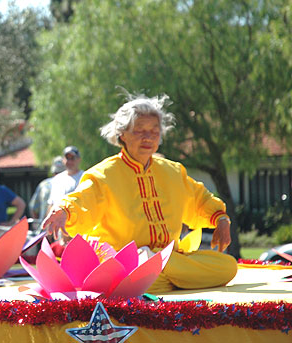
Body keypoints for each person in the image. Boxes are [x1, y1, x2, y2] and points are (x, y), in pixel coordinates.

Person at [43, 94, 237, 293]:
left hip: (170, 259)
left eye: (154, 131)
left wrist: (221, 218)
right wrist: (64, 211)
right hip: (126, 263)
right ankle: (160, 277)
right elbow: (82, 200)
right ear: (122, 134)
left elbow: (199, 199)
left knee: (227, 266)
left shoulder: (173, 171)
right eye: (139, 131)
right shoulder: (102, 174)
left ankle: (158, 276)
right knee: (137, 267)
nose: (148, 137)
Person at [29, 156, 65, 231]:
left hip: (62, 228)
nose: (57, 175)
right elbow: (34, 207)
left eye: (60, 173)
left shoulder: (70, 184)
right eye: (56, 173)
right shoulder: (44, 185)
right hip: (44, 229)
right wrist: (38, 224)